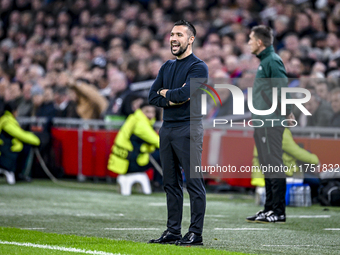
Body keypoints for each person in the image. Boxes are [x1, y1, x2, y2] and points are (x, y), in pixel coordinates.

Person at [148, 20, 208, 246]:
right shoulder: (166, 67)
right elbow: (152, 97)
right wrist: (171, 95)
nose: (173, 38)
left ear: (191, 39)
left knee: (193, 182)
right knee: (170, 183)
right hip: (167, 128)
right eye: (172, 34)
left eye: (179, 35)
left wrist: (169, 95)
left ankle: (196, 233)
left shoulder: (198, 67)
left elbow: (184, 95)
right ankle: (173, 231)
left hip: (189, 127)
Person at [246, 25, 295, 223]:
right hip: (262, 122)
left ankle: (278, 211)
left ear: (259, 42)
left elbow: (281, 88)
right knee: (267, 165)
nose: (248, 42)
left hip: (271, 121)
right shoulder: (265, 61)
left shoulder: (272, 61)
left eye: (250, 39)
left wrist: (287, 113)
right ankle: (268, 208)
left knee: (274, 164)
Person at [251, 127, 320, 203]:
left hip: (265, 175)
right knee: (317, 181)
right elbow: (296, 152)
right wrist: (315, 160)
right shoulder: (280, 131)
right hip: (282, 174)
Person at [107, 101, 160, 175]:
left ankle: (159, 183)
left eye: (153, 112)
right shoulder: (141, 124)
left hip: (122, 162)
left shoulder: (134, 118)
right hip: (129, 163)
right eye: (147, 111)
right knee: (164, 154)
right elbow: (158, 142)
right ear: (141, 111)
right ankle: (161, 184)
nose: (150, 115)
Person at [0, 101, 40, 184]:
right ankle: (14, 172)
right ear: (13, 111)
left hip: (6, 147)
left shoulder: (6, 119)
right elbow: (19, 134)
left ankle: (17, 173)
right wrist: (36, 140)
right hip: (6, 149)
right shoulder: (7, 121)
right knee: (25, 146)